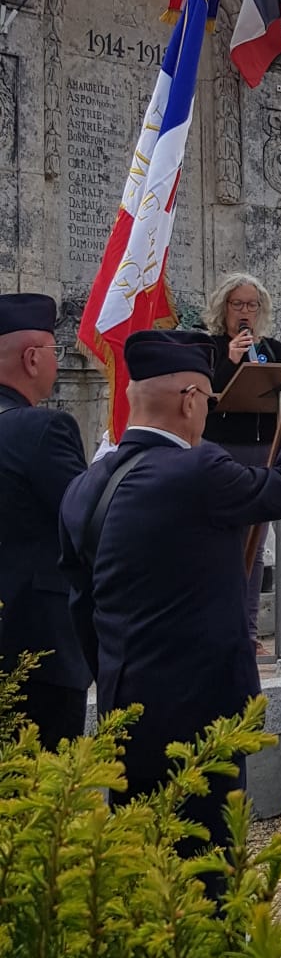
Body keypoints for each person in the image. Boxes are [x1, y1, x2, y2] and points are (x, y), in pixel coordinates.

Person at [59, 327, 281, 855]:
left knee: (140, 858)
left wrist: (116, 673)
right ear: (189, 399)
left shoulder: (87, 482)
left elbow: (80, 606)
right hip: (202, 719)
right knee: (209, 867)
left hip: (124, 710)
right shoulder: (198, 469)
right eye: (207, 399)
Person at [0, 292, 91, 747]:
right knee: (47, 801)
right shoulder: (43, 431)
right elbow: (89, 522)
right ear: (33, 358)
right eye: (54, 351)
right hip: (37, 651)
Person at [203, 273, 281, 649]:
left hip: (264, 452)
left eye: (252, 305)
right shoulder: (208, 349)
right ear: (223, 307)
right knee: (226, 542)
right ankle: (221, 628)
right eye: (238, 304)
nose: (245, 312)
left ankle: (249, 632)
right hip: (224, 450)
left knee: (256, 542)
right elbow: (206, 400)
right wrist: (230, 360)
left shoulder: (273, 349)